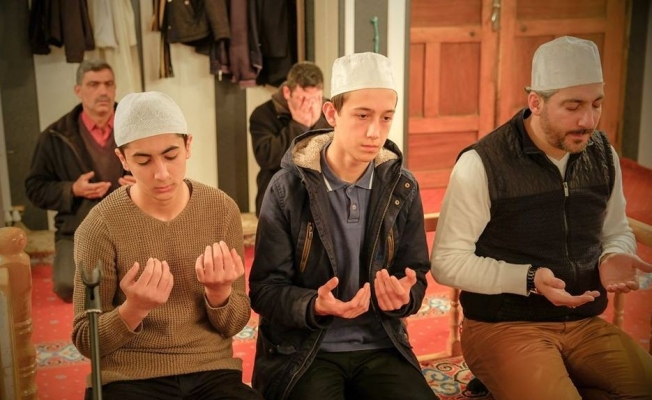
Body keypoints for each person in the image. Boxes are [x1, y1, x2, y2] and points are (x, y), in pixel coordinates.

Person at [431, 36, 652, 400]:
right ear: (535, 102)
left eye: (596, 104)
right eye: (573, 106)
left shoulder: (603, 155)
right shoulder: (482, 163)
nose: (588, 120)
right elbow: (446, 262)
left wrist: (614, 254)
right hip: (504, 325)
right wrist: (529, 278)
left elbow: (616, 229)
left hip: (583, 324)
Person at [249, 52, 439, 400]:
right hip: (306, 350)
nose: (374, 131)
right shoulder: (287, 189)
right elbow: (265, 290)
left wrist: (403, 298)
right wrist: (315, 305)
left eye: (386, 118)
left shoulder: (402, 187)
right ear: (332, 113)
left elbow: (416, 276)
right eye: (362, 115)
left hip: (381, 344)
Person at [71, 91, 263, 400]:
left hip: (211, 370)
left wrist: (219, 293)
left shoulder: (221, 210)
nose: (161, 174)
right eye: (143, 161)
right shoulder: (99, 226)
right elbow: (86, 338)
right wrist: (134, 309)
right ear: (122, 159)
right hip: (129, 376)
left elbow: (233, 324)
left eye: (170, 156)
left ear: (188, 146)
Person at [25, 59, 135, 302]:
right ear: (78, 90)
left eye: (108, 84)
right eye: (94, 84)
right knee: (69, 286)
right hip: (77, 228)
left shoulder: (136, 127)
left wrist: (142, 186)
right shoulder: (55, 135)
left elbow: (165, 169)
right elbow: (34, 188)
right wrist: (72, 189)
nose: (103, 91)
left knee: (141, 282)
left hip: (130, 224)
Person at [249, 61, 331, 216]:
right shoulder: (263, 114)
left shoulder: (330, 111)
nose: (310, 105)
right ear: (287, 92)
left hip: (321, 192)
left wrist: (317, 124)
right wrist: (299, 125)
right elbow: (267, 158)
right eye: (303, 99)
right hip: (278, 191)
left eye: (316, 98)